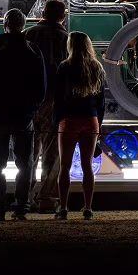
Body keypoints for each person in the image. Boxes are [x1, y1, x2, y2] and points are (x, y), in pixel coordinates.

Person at [0, 8, 46, 221]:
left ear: (5, 25)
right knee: (25, 163)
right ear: (23, 25)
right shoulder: (33, 51)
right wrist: (32, 108)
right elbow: (41, 86)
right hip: (23, 114)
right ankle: (21, 206)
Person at [53, 31, 105, 220]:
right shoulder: (96, 67)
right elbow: (101, 101)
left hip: (68, 120)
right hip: (90, 120)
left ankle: (64, 207)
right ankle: (88, 207)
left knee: (65, 166)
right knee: (87, 166)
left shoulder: (64, 67)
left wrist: (56, 122)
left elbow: (58, 99)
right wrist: (98, 124)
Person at [25, 0, 68, 213]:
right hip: (57, 101)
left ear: (43, 12)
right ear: (63, 16)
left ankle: (26, 196)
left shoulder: (30, 35)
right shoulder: (66, 38)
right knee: (53, 152)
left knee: (30, 151)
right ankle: (46, 197)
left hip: (32, 100)